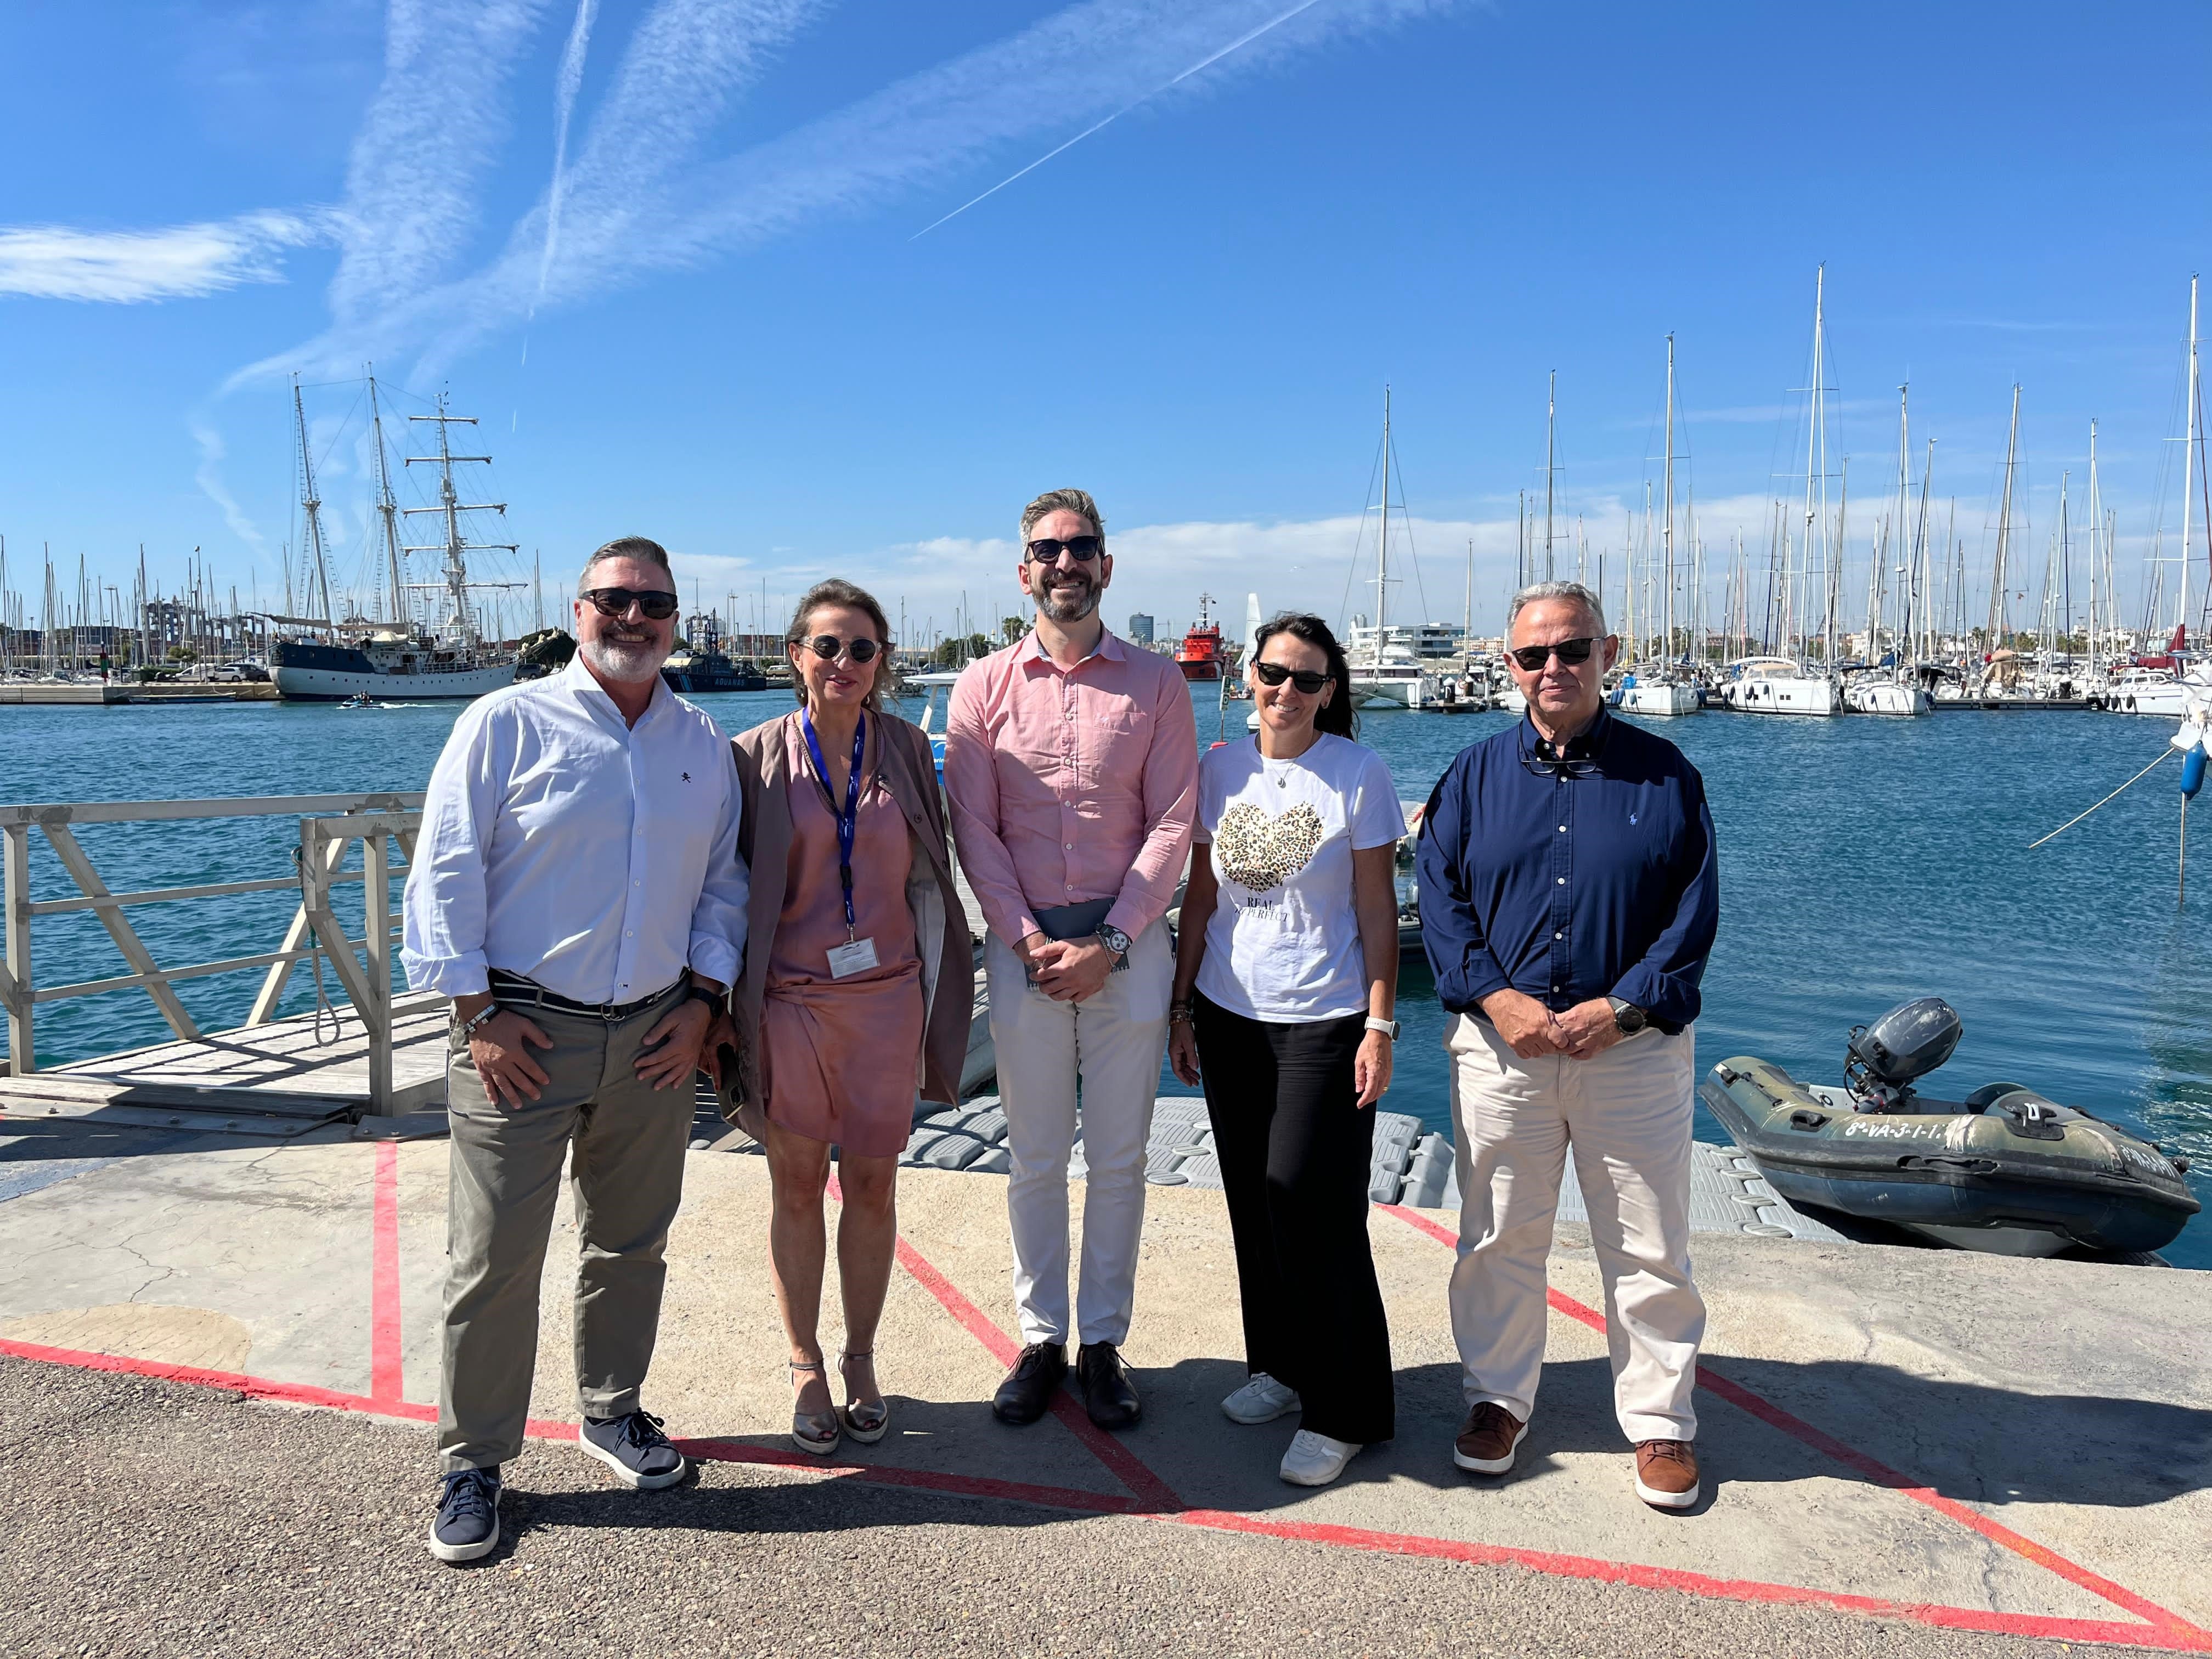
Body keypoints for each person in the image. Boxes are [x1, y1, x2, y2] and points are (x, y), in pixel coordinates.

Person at [400, 535, 748, 1564]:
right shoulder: (504, 722)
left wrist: (705, 1003)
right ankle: (474, 1462)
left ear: (677, 618)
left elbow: (722, 885)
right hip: (522, 1033)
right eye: (613, 600)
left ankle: (611, 1410)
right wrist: (474, 1015)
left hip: (651, 1031)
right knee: (494, 1260)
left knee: (630, 1242)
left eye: (654, 604)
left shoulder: (699, 742)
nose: (633, 619)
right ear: (578, 608)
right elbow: (446, 874)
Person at [1415, 579, 1718, 1511]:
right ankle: (1498, 1400)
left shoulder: (1668, 776)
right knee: (1500, 1236)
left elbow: (1693, 914)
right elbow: (1442, 900)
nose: (1554, 668)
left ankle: (1661, 1422)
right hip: (1503, 1048)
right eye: (1533, 655)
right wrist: (1496, 999)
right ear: (1509, 666)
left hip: (1629, 1052)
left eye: (1573, 649)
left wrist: (1622, 1009)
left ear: (1608, 654)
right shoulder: (1469, 777)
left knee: (1649, 1239)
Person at [941, 488, 1198, 1430]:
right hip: (1024, 953)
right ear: (1024, 572)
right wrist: (1028, 942)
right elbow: (975, 825)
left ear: (1107, 564)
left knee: (1123, 1159)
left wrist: (1116, 941)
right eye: (1047, 551)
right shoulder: (982, 688)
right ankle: (1042, 1337)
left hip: (1129, 949)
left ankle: (1102, 1343)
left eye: (1080, 548)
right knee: (1037, 1157)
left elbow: (1174, 821)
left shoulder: (1158, 683)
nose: (1064, 564)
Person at [722, 579, 974, 1457]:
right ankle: (804, 1363)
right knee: (795, 1186)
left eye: (862, 649)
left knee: (872, 1185)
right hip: (789, 1001)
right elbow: (719, 885)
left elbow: (946, 859)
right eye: (826, 646)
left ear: (882, 664)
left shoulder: (907, 750)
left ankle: (861, 1357)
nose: (843, 663)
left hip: (886, 1000)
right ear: (795, 655)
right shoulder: (752, 755)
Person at [1166, 613, 1402, 1488]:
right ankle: (1279, 1366)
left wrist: (1380, 1023)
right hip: (1230, 1015)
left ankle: (1347, 1408)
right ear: (1248, 676)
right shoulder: (1218, 769)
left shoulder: (1356, 773)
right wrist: (1181, 1009)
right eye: (1273, 674)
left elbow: (1378, 909)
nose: (1287, 692)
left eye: (1307, 679)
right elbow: (1199, 901)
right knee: (1251, 1200)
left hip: (1326, 1019)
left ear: (1331, 691)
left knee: (1309, 1199)